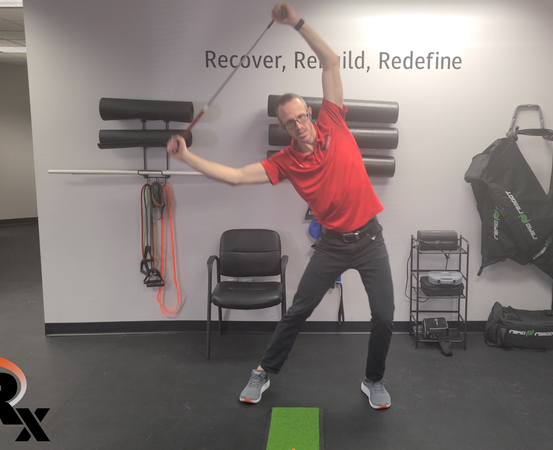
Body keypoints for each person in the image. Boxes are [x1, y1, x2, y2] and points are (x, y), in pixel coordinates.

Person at [166, 3, 395, 410]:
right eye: (289, 122)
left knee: (384, 316)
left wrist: (296, 23)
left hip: (370, 238)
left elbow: (331, 60)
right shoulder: (285, 162)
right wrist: (187, 158)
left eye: (300, 116)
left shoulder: (334, 122)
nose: (298, 124)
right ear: (284, 127)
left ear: (310, 112)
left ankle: (373, 380)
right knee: (297, 313)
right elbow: (235, 176)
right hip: (332, 245)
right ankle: (264, 372)